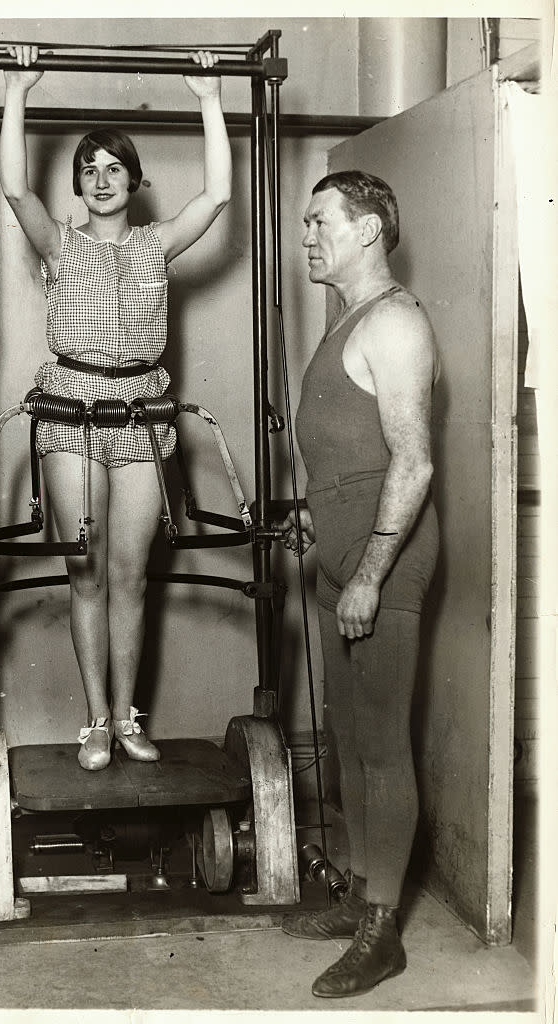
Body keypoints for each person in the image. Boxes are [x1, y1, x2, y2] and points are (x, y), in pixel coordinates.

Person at [0, 45, 231, 771]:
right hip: (70, 412)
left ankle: (128, 717)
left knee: (131, 575)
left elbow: (218, 196)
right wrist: (16, 89)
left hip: (141, 414)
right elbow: (14, 190)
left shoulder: (156, 244)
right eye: (88, 169)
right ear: (78, 183)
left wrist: (209, 99)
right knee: (86, 572)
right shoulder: (59, 245)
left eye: (114, 168)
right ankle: (95, 721)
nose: (101, 179)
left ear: (135, 180)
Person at [278, 170, 439, 998]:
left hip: (386, 562)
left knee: (382, 748)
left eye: (320, 221)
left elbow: (412, 463)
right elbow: (350, 458)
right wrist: (318, 519)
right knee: (346, 743)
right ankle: (358, 896)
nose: (307, 235)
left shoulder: (397, 324)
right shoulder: (349, 320)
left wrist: (370, 573)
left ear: (369, 228)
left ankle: (384, 933)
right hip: (341, 552)